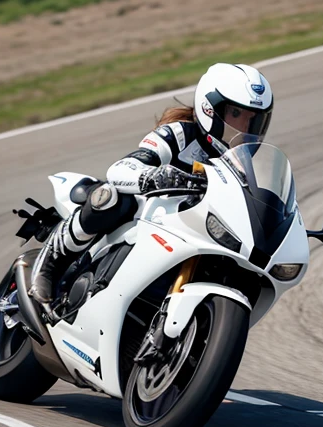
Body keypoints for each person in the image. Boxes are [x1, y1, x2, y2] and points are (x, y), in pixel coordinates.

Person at [29, 63, 274, 306]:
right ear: (209, 109)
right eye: (235, 114)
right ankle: (51, 263)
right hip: (145, 216)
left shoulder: (242, 166)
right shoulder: (179, 134)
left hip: (191, 230)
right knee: (111, 198)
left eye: (253, 120)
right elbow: (120, 169)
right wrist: (153, 177)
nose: (244, 128)